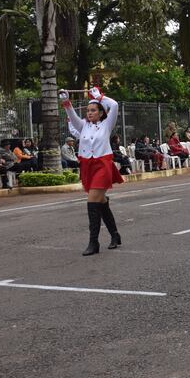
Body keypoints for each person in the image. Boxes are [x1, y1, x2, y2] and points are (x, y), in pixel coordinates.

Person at [60, 86, 123, 255]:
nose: (89, 113)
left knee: (92, 201)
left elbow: (115, 105)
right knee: (100, 202)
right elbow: (72, 118)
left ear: (101, 112)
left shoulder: (106, 124)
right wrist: (66, 102)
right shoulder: (83, 126)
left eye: (93, 110)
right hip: (88, 166)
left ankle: (93, 243)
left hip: (103, 165)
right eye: (88, 110)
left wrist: (100, 97)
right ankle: (115, 235)